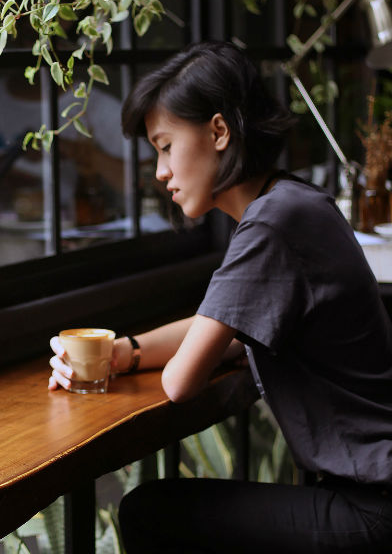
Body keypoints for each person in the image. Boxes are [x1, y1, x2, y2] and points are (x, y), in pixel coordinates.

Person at [48, 40, 392, 552]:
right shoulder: (292, 202)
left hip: (374, 507)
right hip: (370, 491)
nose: (160, 171)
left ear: (218, 131)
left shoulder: (272, 224)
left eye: (165, 146)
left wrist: (128, 359)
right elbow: (228, 329)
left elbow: (181, 382)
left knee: (150, 512)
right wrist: (122, 353)